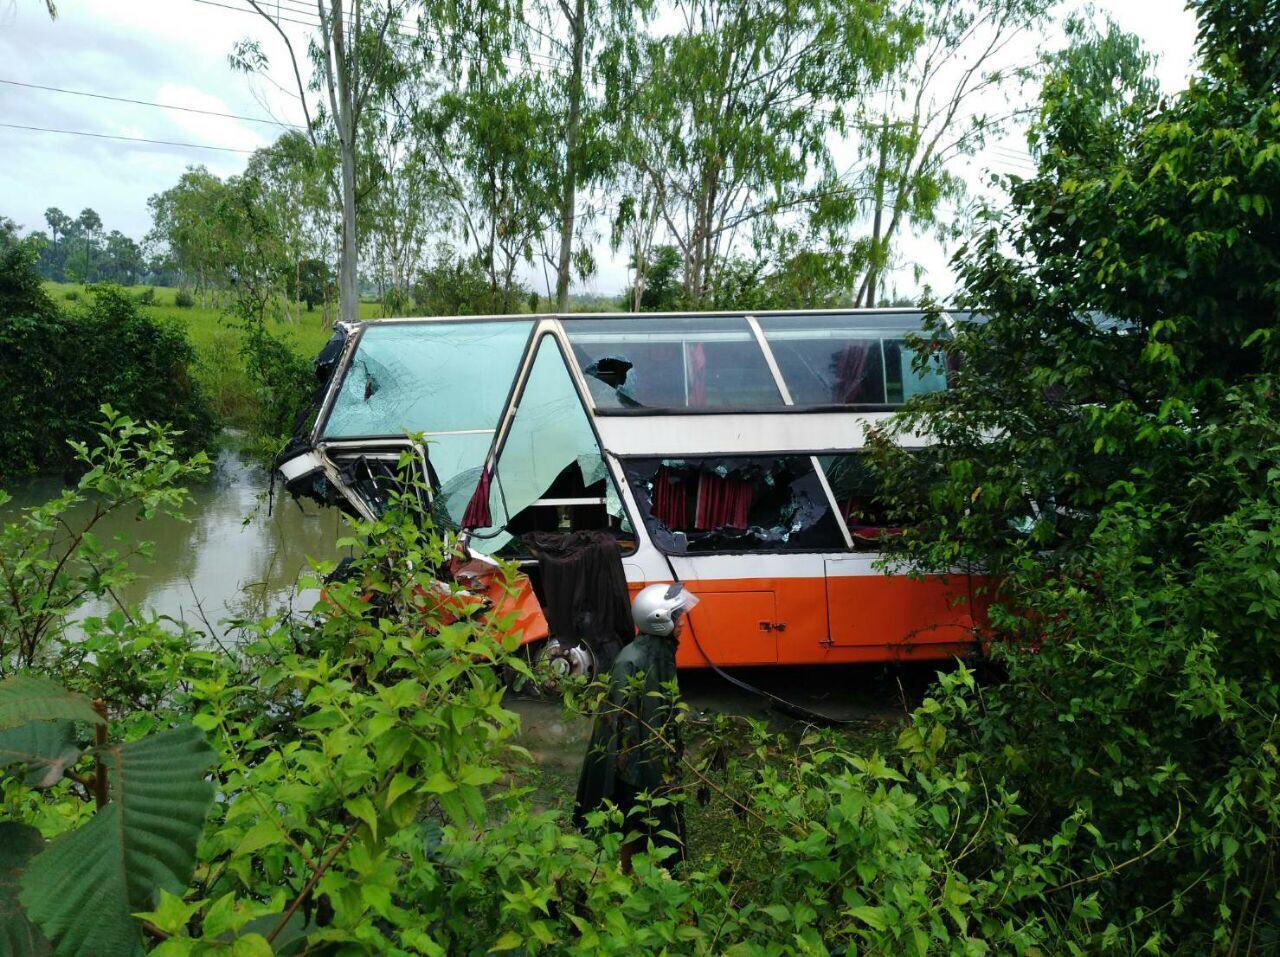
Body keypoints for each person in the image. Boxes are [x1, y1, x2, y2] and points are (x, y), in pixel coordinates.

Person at [573, 582, 698, 872]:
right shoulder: (632, 661)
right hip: (636, 756)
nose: (682, 623)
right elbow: (622, 727)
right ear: (659, 620)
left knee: (654, 817)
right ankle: (630, 872)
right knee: (636, 818)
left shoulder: (660, 651)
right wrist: (636, 773)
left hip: (653, 750)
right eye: (677, 616)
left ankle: (646, 871)